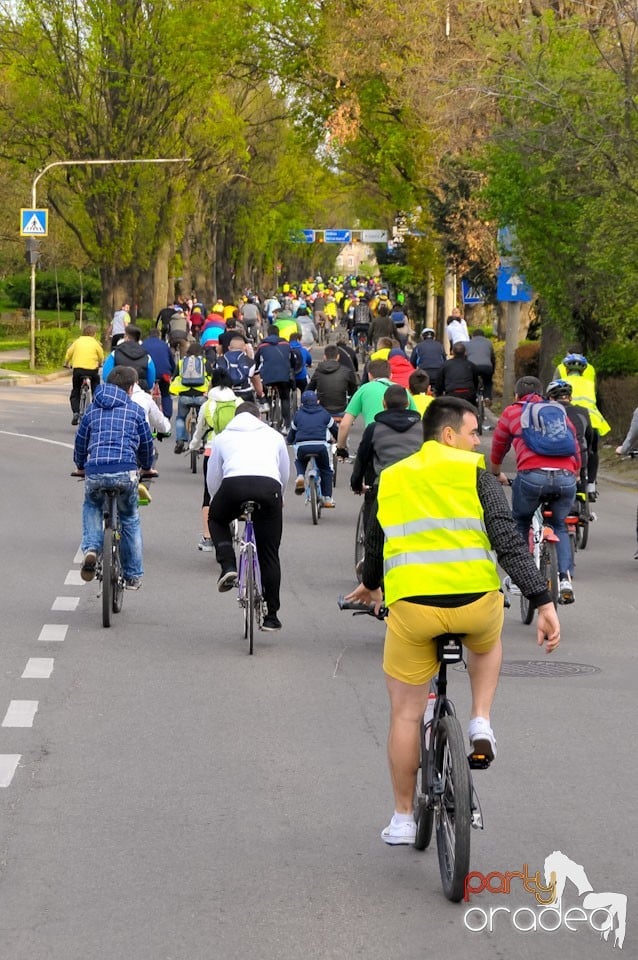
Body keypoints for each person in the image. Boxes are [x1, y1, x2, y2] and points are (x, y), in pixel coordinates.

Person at [344, 396, 560, 844]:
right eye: (472, 432)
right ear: (448, 435)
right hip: (474, 603)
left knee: (405, 714)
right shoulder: (476, 476)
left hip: (414, 610)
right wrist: (543, 602)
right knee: (487, 642)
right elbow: (507, 541)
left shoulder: (391, 479)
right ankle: (480, 719)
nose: (478, 440)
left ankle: (404, 819)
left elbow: (376, 545)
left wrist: (370, 583)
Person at [490, 375, 581, 604]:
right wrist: (576, 473)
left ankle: (518, 578)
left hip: (532, 477)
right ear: (542, 393)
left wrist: (496, 471)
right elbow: (575, 443)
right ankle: (565, 580)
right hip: (566, 477)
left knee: (520, 520)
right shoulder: (557, 410)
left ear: (516, 395)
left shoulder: (513, 412)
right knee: (560, 525)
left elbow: (499, 445)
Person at [207, 402, 290, 630]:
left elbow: (213, 476)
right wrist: (279, 497)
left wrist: (218, 501)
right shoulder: (274, 436)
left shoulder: (223, 437)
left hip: (234, 486)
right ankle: (272, 616)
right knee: (270, 554)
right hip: (269, 488)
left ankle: (228, 565)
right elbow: (284, 472)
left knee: (215, 519)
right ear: (258, 418)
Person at [74, 366, 154, 591]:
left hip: (96, 471)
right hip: (125, 472)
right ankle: (132, 575)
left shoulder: (91, 410)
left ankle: (90, 549)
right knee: (129, 518)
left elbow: (81, 441)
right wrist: (147, 467)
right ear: (130, 388)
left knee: (92, 505)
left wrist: (80, 465)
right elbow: (147, 444)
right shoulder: (135, 410)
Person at [350, 384, 423, 539]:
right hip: (415, 488)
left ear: (384, 404)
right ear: (408, 403)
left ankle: (370, 554)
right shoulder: (423, 428)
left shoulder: (374, 429)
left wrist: (356, 484)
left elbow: (362, 459)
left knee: (373, 533)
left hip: (384, 487)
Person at [189, 368, 244, 551]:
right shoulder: (239, 402)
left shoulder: (208, 405)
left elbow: (199, 431)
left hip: (212, 452)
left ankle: (207, 536)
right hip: (235, 451)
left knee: (209, 493)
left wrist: (193, 446)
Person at [336, 358, 416, 457]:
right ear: (391, 375)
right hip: (402, 447)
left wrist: (341, 448)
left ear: (369, 375)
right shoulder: (403, 391)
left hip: (374, 444)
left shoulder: (364, 389)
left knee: (361, 469)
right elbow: (416, 420)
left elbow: (344, 425)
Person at [557, 353, 610, 499]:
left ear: (566, 370)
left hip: (571, 419)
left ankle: (571, 478)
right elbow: (596, 402)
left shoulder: (562, 382)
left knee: (573, 447)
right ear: (583, 370)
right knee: (592, 450)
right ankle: (591, 486)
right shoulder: (590, 384)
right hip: (592, 420)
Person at [287, 391, 339, 507]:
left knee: (299, 460)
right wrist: (339, 441)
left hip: (302, 446)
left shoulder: (298, 415)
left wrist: (289, 441)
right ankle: (327, 498)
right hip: (320, 446)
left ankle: (300, 475)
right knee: (326, 470)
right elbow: (334, 430)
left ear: (302, 403)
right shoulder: (324, 413)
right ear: (317, 401)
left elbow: (291, 435)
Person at [253, 325, 298, 429]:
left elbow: (256, 362)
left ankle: (267, 406)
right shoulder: (286, 344)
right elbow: (293, 361)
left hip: (267, 376)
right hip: (283, 376)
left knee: (265, 390)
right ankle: (287, 425)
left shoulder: (262, 345)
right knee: (285, 398)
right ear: (278, 333)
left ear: (268, 333)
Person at [170, 342, 210, 453]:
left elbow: (175, 377)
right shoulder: (204, 362)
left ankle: (180, 441)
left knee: (180, 418)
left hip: (184, 396)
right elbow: (211, 378)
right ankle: (203, 441)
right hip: (201, 395)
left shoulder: (182, 362)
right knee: (203, 418)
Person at [64, 324, 104, 425]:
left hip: (78, 370)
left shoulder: (77, 342)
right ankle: (96, 402)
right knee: (96, 386)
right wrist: (100, 363)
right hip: (92, 370)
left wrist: (66, 363)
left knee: (76, 390)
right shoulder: (95, 343)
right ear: (94, 334)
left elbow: (69, 353)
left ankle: (76, 412)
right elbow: (101, 355)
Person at [308, 344, 358, 416]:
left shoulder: (318, 371)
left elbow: (309, 389)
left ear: (324, 356)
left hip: (322, 409)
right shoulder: (347, 371)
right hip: (341, 409)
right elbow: (354, 391)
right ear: (338, 357)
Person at [102, 325, 156, 391]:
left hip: (118, 390)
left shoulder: (115, 353)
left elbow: (106, 375)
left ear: (126, 337)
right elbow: (151, 380)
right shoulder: (147, 356)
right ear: (138, 339)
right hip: (140, 390)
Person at [142, 328, 176, 419]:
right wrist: (173, 372)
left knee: (145, 392)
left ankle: (145, 412)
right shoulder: (164, 345)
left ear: (149, 335)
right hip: (164, 373)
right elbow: (171, 360)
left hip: (148, 372)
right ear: (159, 335)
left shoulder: (144, 344)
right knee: (165, 393)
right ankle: (167, 416)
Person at [464, 329, 495, 402]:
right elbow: (492, 357)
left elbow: (465, 358)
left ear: (473, 336)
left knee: (473, 381)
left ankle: (473, 397)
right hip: (487, 366)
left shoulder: (468, 344)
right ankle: (487, 397)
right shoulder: (489, 343)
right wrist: (492, 370)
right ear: (483, 336)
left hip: (472, 367)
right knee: (488, 382)